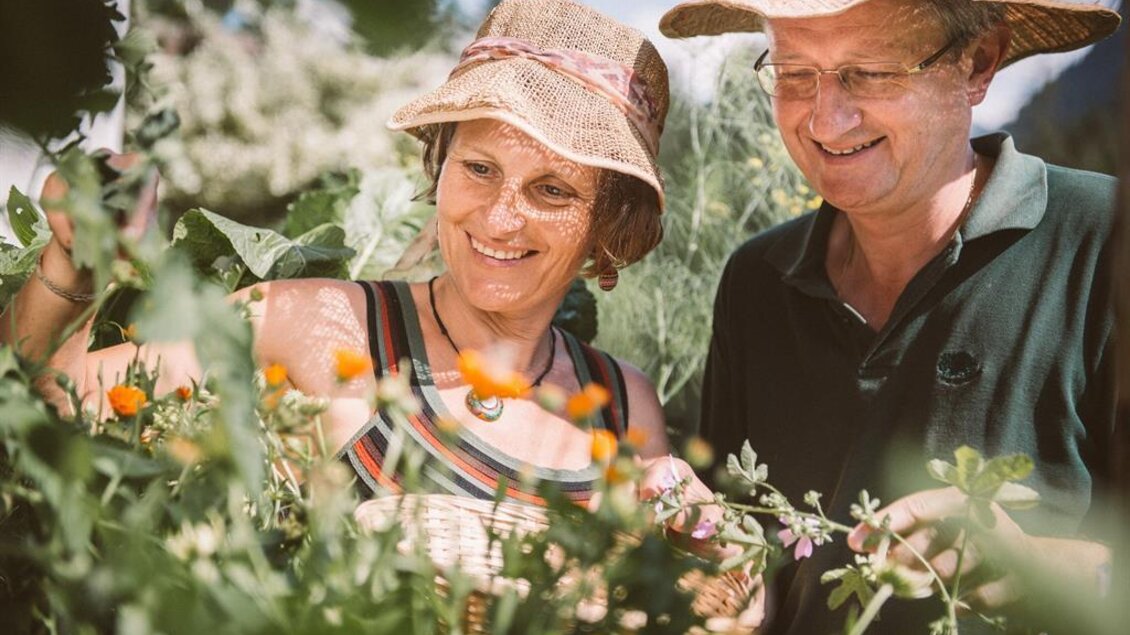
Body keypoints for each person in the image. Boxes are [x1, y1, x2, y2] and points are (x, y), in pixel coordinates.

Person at [1, 0, 674, 508]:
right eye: (479, 168)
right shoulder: (317, 323)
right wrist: (73, 261)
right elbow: (36, 413)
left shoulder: (620, 403)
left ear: (606, 225)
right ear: (439, 163)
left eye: (552, 189)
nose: (500, 217)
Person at [659, 0, 1121, 632]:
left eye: (870, 72)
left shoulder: (1105, 240)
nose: (826, 117)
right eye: (795, 73)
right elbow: (742, 552)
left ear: (977, 63)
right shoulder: (756, 281)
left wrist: (1029, 565)